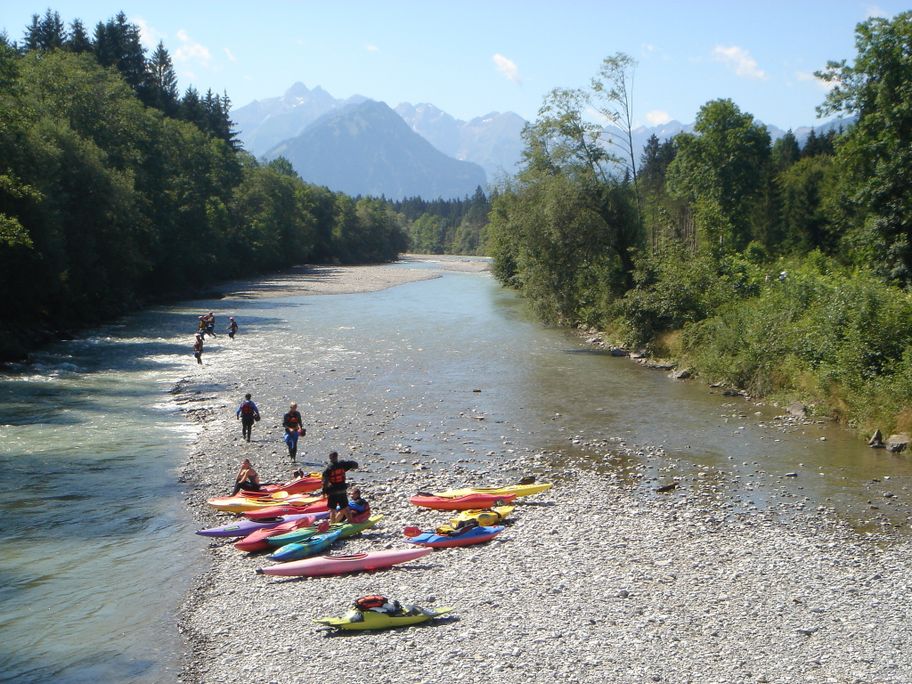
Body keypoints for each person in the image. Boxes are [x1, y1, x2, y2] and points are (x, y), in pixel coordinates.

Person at [322, 451, 359, 523]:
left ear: (330, 458)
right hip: (342, 490)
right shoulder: (342, 464)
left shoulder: (328, 469)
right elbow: (354, 464)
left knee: (332, 509)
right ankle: (352, 523)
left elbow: (325, 482)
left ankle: (332, 524)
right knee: (345, 508)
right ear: (337, 456)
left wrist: (324, 492)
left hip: (333, 492)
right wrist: (356, 466)